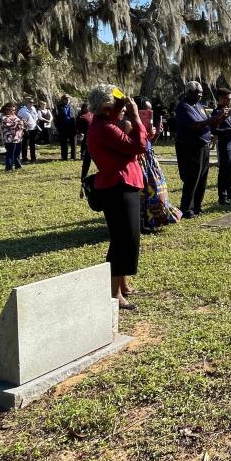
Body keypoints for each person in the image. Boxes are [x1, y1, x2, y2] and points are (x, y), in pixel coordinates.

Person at [86, 84, 147, 310]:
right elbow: (139, 146)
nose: (122, 108)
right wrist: (136, 117)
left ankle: (123, 285)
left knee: (124, 238)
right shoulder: (105, 128)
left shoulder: (104, 124)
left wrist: (124, 113)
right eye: (117, 105)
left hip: (120, 185)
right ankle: (114, 295)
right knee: (124, 241)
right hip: (117, 187)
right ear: (106, 107)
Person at [174, 81, 228, 218]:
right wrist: (214, 118)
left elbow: (209, 122)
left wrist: (221, 117)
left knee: (202, 177)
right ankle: (187, 208)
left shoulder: (198, 106)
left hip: (204, 145)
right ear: (189, 93)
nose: (200, 95)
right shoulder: (183, 107)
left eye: (201, 93)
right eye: (198, 93)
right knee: (192, 177)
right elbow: (195, 124)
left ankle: (197, 206)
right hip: (191, 146)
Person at [137, 99, 182, 232]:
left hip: (150, 161)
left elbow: (149, 145)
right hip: (140, 162)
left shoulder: (146, 123)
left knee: (158, 190)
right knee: (146, 193)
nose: (149, 113)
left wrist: (155, 134)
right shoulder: (130, 124)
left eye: (150, 110)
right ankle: (145, 221)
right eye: (146, 109)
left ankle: (159, 217)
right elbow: (138, 147)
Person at [213, 88, 231, 205]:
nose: (229, 101)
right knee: (223, 172)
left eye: (230, 99)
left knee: (230, 171)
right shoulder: (216, 113)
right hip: (224, 145)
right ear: (220, 99)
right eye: (227, 99)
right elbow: (215, 130)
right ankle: (222, 197)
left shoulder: (230, 111)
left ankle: (230, 194)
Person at [0, 102, 24, 171]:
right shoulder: (3, 118)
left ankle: (18, 166)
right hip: (9, 139)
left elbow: (20, 125)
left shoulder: (15, 116)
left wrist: (22, 124)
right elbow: (8, 125)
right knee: (10, 153)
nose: (13, 111)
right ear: (6, 110)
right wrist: (18, 123)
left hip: (18, 138)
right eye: (12, 110)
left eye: (14, 110)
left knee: (17, 153)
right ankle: (9, 167)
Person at [54, 94, 78, 160]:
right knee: (63, 143)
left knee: (73, 143)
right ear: (63, 100)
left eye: (68, 99)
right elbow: (55, 118)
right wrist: (58, 127)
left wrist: (76, 127)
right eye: (65, 99)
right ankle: (64, 157)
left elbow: (77, 117)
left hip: (72, 127)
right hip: (62, 128)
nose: (67, 100)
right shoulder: (58, 107)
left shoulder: (73, 107)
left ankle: (73, 156)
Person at [17, 96, 40, 163]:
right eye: (30, 102)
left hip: (34, 128)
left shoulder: (33, 108)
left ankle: (33, 158)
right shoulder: (22, 110)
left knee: (32, 143)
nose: (32, 103)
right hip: (26, 129)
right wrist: (23, 123)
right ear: (26, 102)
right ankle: (25, 158)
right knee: (25, 144)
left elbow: (36, 117)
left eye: (33, 102)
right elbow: (18, 118)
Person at [77, 103, 93, 183]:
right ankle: (82, 155)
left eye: (88, 107)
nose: (87, 108)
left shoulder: (91, 114)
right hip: (85, 133)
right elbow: (78, 125)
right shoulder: (81, 116)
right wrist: (80, 132)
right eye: (86, 107)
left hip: (92, 133)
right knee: (85, 148)